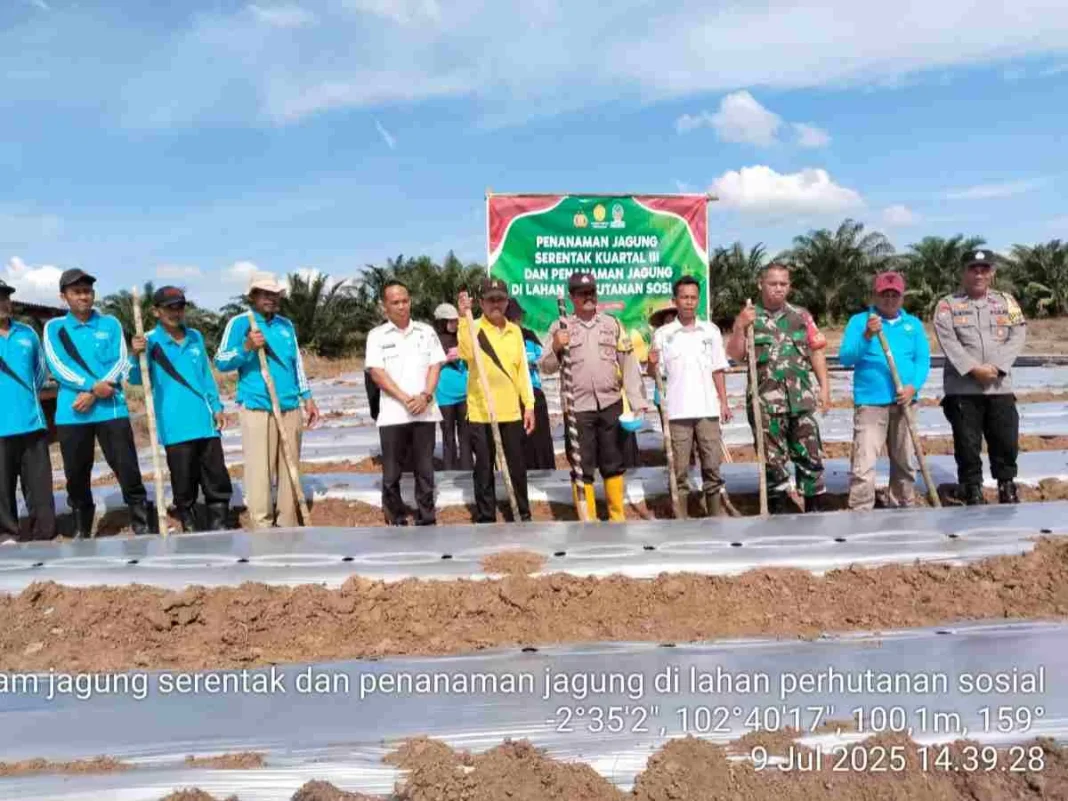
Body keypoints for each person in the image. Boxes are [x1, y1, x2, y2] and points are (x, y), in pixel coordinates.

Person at [43, 269, 151, 537]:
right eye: (76, 292)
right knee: (76, 473)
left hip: (111, 409)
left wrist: (96, 391)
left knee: (127, 466)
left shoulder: (110, 324)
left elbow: (121, 361)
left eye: (87, 292)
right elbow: (58, 366)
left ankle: (141, 521)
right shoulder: (54, 328)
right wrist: (92, 386)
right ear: (63, 297)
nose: (83, 297)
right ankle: (82, 526)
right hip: (73, 413)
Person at [540, 271, 649, 522]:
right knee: (582, 466)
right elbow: (546, 366)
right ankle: (587, 519)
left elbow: (628, 364)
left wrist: (637, 402)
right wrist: (556, 346)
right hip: (577, 408)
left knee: (613, 462)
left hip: (610, 404)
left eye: (591, 292)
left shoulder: (612, 325)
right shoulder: (560, 327)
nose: (588, 297)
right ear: (572, 297)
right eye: (582, 294)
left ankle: (616, 517)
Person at [215, 273, 320, 529]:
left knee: (289, 467)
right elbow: (221, 361)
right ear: (253, 297)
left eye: (274, 295)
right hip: (257, 407)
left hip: (289, 405)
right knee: (259, 470)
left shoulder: (286, 325)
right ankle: (262, 525)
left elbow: (296, 364)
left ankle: (287, 522)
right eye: (264, 294)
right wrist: (247, 347)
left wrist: (307, 397)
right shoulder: (240, 323)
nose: (270, 299)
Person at [726, 263, 831, 514]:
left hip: (801, 400)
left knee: (810, 456)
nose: (778, 288)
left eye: (783, 284)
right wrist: (740, 326)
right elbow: (736, 355)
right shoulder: (750, 317)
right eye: (773, 283)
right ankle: (779, 510)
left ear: (790, 286)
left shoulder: (801, 316)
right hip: (765, 404)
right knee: (772, 461)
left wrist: (824, 388)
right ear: (760, 284)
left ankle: (814, 509)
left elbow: (816, 351)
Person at [129, 286, 232, 532]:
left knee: (216, 477)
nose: (175, 313)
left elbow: (205, 376)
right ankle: (190, 526)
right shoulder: (149, 341)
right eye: (169, 308)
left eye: (180, 307)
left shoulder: (195, 337)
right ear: (156, 311)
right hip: (174, 423)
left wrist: (217, 407)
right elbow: (136, 379)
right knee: (184, 481)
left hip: (205, 420)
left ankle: (219, 525)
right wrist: (136, 355)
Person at [933, 249, 1027, 505]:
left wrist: (997, 367)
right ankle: (971, 488)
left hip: (999, 386)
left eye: (984, 269)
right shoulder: (947, 305)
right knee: (967, 444)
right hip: (963, 388)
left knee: (1005, 440)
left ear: (992, 273)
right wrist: (974, 369)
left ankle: (1006, 485)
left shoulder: (1007, 302)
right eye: (973, 269)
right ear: (963, 272)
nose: (978, 274)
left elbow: (1018, 333)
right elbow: (948, 341)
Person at [839, 272, 931, 510]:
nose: (889, 299)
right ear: (875, 296)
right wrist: (867, 336)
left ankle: (903, 505)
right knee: (864, 462)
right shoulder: (860, 321)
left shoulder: (913, 325)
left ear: (902, 297)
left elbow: (922, 361)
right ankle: (861, 509)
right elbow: (846, 357)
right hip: (870, 403)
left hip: (905, 403)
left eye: (894, 295)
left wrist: (912, 387)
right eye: (884, 295)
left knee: (905, 460)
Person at [649, 276, 733, 518]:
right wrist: (651, 364)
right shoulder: (663, 334)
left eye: (693, 298)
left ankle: (714, 516)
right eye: (684, 297)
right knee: (679, 470)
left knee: (712, 466)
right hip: (678, 412)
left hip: (707, 409)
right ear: (675, 300)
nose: (689, 302)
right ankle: (681, 520)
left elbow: (718, 369)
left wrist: (724, 402)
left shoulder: (711, 331)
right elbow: (655, 373)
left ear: (698, 300)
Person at [365, 281, 444, 525]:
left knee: (425, 469)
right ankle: (395, 515)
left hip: (425, 412)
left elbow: (435, 365)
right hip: (393, 414)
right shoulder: (377, 336)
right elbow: (376, 372)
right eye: (395, 302)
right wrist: (405, 398)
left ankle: (426, 515)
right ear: (385, 306)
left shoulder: (426, 332)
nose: (401, 306)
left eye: (405, 301)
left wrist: (425, 396)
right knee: (391, 472)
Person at [458, 281, 535, 523]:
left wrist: (529, 404)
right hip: (482, 412)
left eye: (500, 299)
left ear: (506, 302)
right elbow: (466, 353)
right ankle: (486, 517)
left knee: (516, 467)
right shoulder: (473, 326)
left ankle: (522, 514)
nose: (495, 304)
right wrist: (463, 318)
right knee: (484, 468)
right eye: (490, 300)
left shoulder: (515, 332)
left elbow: (522, 372)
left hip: (511, 412)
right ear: (481, 303)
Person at [0, 280, 56, 541]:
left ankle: (45, 532)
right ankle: (7, 534)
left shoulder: (27, 333)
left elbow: (40, 371)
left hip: (31, 422)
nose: (3, 303)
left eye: (5, 297)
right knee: (2, 488)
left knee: (39, 486)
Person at [505, 297, 555, 470]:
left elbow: (543, 358)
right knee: (519, 437)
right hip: (512, 394)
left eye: (518, 317)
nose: (517, 321)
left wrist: (530, 360)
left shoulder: (529, 336)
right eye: (513, 318)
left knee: (540, 435)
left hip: (534, 390)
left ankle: (544, 469)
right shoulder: (502, 337)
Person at [433, 302, 473, 471]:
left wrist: (463, 353)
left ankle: (468, 470)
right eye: (450, 321)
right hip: (444, 395)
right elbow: (428, 365)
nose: (454, 324)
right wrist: (445, 359)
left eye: (455, 321)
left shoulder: (461, 336)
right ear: (441, 322)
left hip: (463, 393)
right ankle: (449, 471)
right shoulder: (433, 341)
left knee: (465, 435)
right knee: (448, 435)